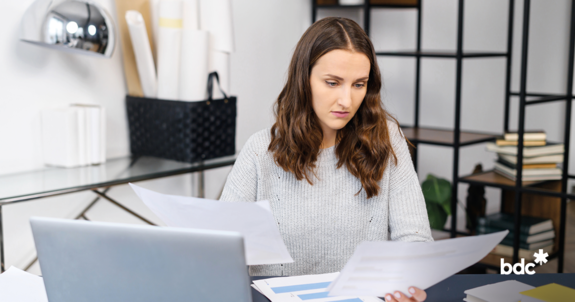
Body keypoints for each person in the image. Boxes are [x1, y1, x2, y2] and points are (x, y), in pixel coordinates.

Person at [220, 17, 432, 302]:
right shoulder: (261, 151)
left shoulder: (387, 141)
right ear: (303, 79)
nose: (346, 100)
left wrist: (409, 283)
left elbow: (415, 239)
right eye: (332, 83)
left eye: (359, 85)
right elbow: (220, 250)